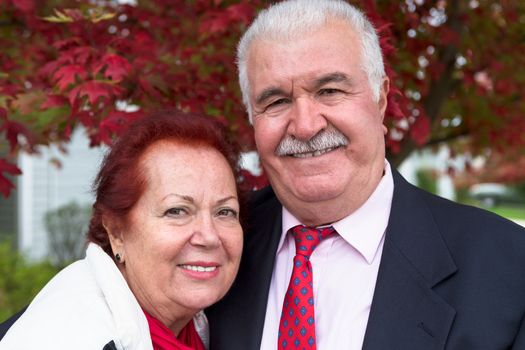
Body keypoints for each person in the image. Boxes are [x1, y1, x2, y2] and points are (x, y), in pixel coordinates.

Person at [205, 1, 525, 349]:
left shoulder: (507, 266)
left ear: (381, 99)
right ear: (252, 118)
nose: (306, 126)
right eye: (276, 101)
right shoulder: (212, 248)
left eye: (329, 91)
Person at [0, 110, 244, 350]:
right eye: (177, 211)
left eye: (225, 212)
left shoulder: (195, 327)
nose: (210, 236)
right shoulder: (74, 337)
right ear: (116, 232)